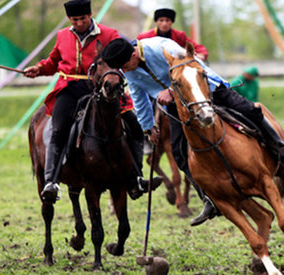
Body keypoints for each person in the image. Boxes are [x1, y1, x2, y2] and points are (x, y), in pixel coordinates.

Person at [101, 37, 284, 226]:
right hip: (179, 107)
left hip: (206, 90)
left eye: (125, 66)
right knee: (179, 153)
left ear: (133, 54)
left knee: (251, 111)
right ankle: (209, 199)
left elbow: (191, 68)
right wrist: (148, 128)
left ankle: (280, 148)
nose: (126, 71)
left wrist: (171, 91)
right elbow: (139, 98)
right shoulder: (128, 70)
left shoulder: (162, 47)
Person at [24, 0, 161, 203]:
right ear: (70, 19)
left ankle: (136, 178)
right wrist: (40, 68)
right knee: (58, 129)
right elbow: (53, 62)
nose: (79, 23)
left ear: (90, 15)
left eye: (82, 18)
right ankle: (51, 181)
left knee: (133, 124)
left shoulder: (108, 34)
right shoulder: (62, 36)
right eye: (74, 20)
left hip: (102, 90)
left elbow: (124, 53)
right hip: (70, 89)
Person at [137, 8, 208, 61]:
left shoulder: (179, 35)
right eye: (161, 20)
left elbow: (196, 46)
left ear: (171, 22)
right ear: (157, 22)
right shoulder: (144, 37)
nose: (164, 24)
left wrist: (201, 55)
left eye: (167, 20)